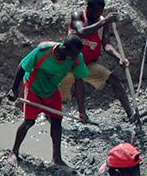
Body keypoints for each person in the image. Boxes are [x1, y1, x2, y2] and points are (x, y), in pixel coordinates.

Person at [8, 36, 89, 166]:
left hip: (51, 89)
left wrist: (82, 111)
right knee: (29, 122)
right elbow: (22, 66)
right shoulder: (42, 51)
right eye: (72, 55)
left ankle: (57, 158)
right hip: (33, 87)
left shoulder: (76, 57)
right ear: (63, 49)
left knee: (57, 121)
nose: (75, 58)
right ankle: (14, 152)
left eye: (77, 55)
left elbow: (79, 82)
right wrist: (14, 90)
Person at [61, 0, 134, 119]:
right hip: (69, 64)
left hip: (88, 65)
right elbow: (82, 32)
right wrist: (104, 21)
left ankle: (131, 114)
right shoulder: (77, 16)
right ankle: (54, 113)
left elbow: (107, 46)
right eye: (94, 11)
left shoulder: (102, 23)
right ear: (87, 8)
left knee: (114, 79)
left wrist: (120, 57)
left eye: (99, 12)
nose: (96, 15)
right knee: (61, 92)